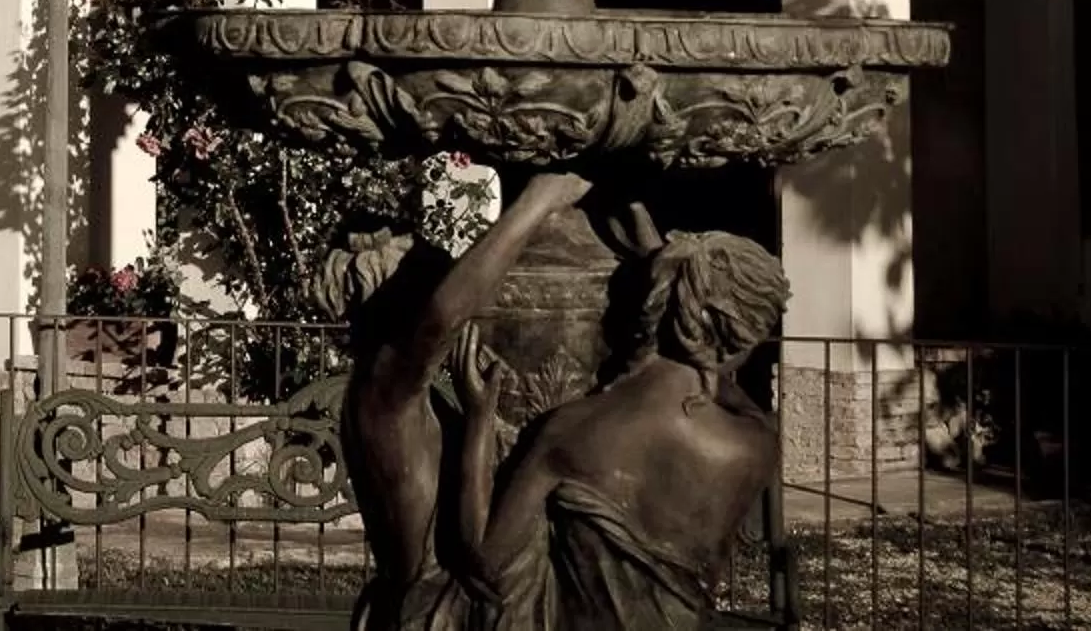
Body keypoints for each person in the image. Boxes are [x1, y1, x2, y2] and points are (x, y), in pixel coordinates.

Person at [441, 217, 791, 630]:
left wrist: (479, 420)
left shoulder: (571, 429)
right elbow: (742, 401)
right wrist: (706, 361)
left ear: (653, 307)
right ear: (740, 340)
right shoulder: (756, 446)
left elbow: (485, 559)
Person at [339, 167, 595, 631]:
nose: (450, 278)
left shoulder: (404, 396)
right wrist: (537, 200)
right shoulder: (384, 390)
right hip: (439, 614)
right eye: (425, 273)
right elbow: (440, 319)